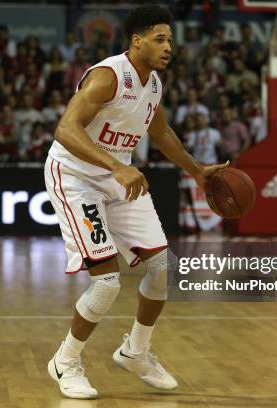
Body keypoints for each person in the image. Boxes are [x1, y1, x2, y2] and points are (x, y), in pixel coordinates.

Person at [44, 5, 228, 399]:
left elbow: (160, 134)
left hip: (116, 177)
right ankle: (66, 361)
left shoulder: (154, 84)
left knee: (161, 267)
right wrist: (116, 166)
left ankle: (136, 351)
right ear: (137, 41)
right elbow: (64, 130)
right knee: (107, 282)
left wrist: (196, 171)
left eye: (171, 41)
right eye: (160, 39)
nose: (168, 47)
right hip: (76, 177)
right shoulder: (108, 76)